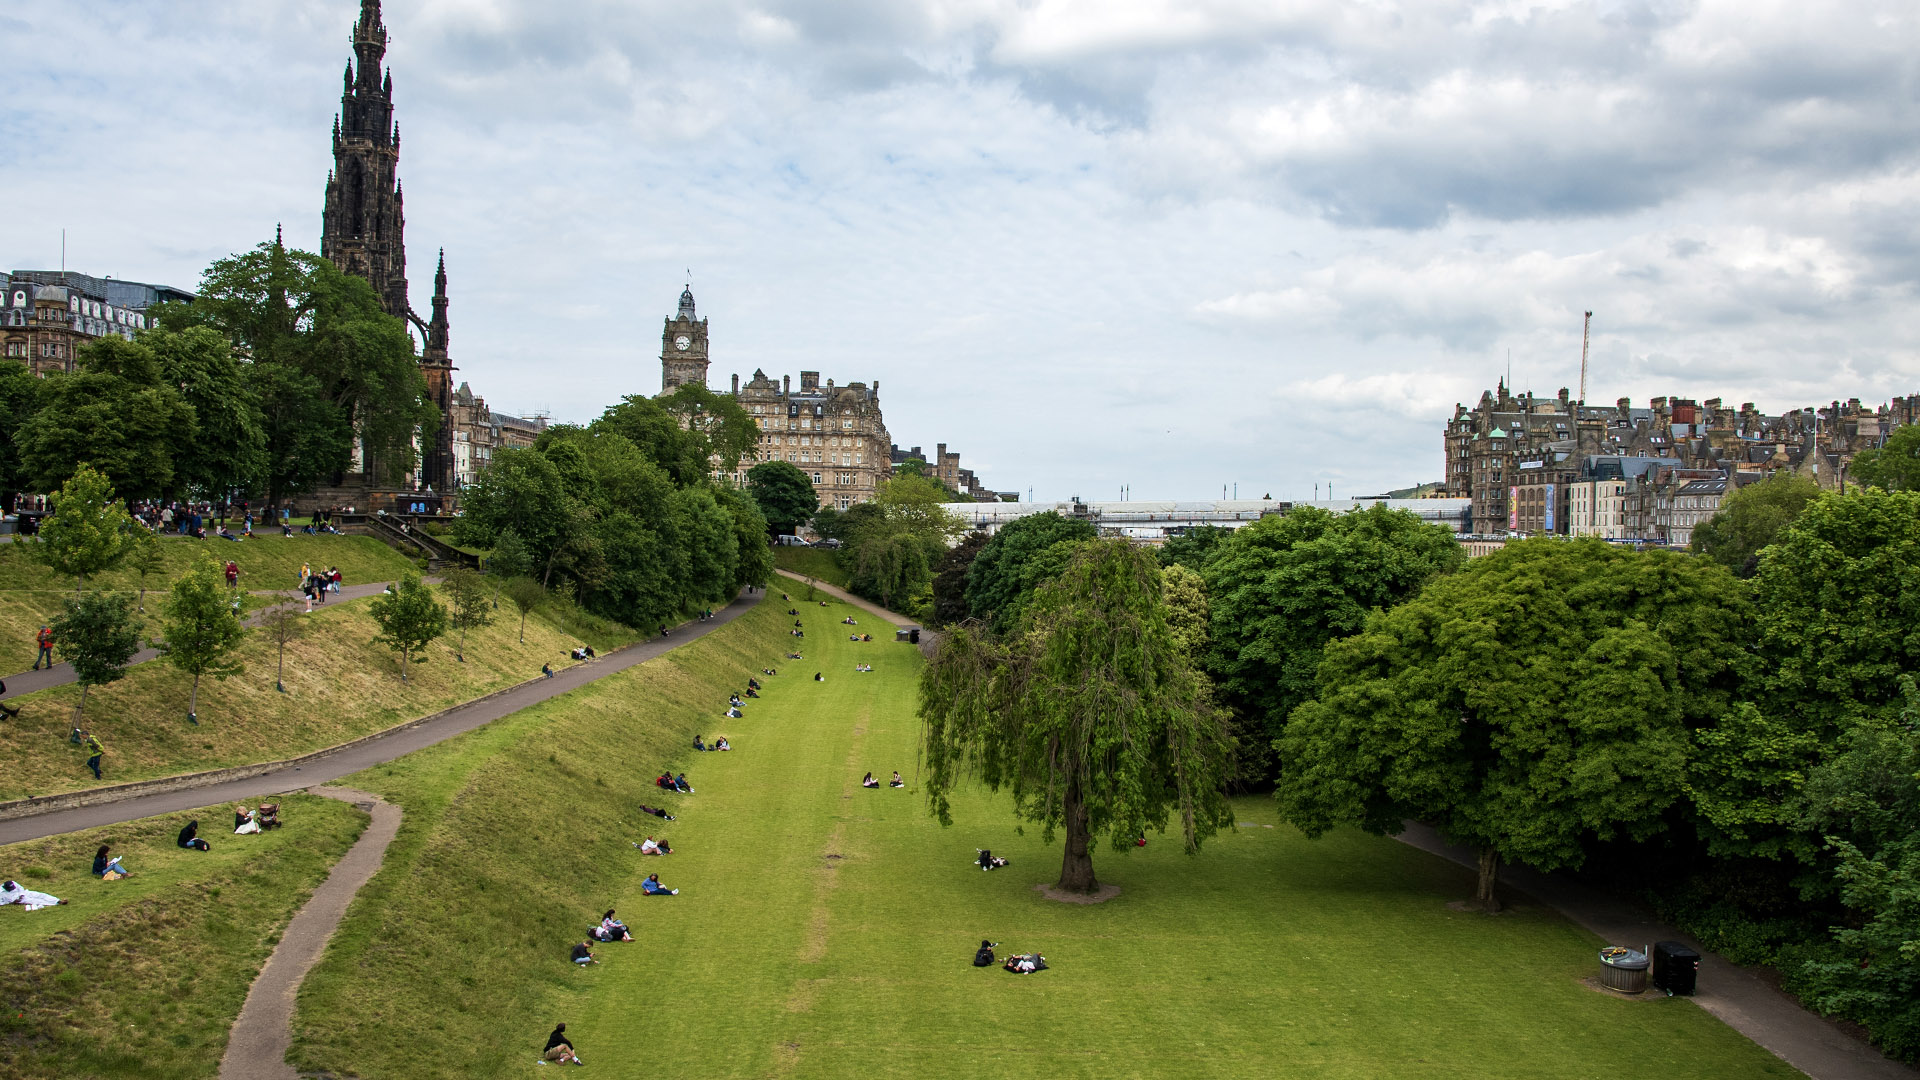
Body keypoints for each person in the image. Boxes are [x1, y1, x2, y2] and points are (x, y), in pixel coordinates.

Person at [0, 879, 66, 910]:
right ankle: (56, 904)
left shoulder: (13, 882)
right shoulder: (1, 893)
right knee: (36, 901)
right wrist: (13, 902)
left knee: (41, 895)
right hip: (18, 900)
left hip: (24, 893)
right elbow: (1, 902)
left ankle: (57, 900)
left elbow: (20, 888)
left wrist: (21, 894)